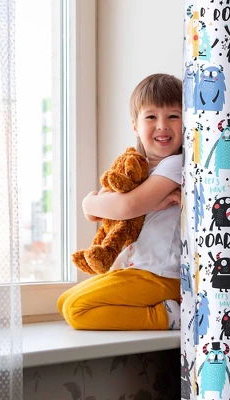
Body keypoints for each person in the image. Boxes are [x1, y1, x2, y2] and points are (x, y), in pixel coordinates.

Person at [58, 73, 183, 330]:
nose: (162, 125)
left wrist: (89, 202)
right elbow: (98, 213)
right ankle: (160, 309)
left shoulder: (175, 164)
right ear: (135, 126)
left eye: (173, 116)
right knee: (63, 301)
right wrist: (93, 205)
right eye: (151, 117)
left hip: (160, 274)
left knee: (76, 309)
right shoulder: (136, 165)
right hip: (136, 270)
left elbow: (126, 207)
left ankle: (168, 316)